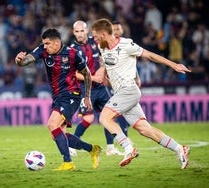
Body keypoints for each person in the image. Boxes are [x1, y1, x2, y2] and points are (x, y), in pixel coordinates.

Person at [91, 18, 191, 169]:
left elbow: (150, 55)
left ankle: (128, 148)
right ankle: (179, 148)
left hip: (129, 90)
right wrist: (105, 77)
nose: (94, 38)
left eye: (96, 35)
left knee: (105, 118)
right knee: (144, 129)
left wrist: (174, 65)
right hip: (121, 92)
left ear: (104, 34)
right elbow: (111, 66)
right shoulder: (102, 47)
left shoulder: (126, 44)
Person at [15, 28, 101, 171]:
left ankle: (68, 162)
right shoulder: (43, 50)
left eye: (48, 44)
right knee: (57, 135)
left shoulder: (73, 54)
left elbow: (86, 75)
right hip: (57, 96)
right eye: (44, 44)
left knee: (52, 124)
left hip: (71, 94)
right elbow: (25, 61)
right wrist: (19, 60)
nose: (45, 46)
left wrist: (87, 97)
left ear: (56, 43)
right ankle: (92, 149)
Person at [69, 20, 130, 156]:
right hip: (85, 88)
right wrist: (93, 78)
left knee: (110, 116)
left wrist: (102, 69)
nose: (80, 34)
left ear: (87, 31)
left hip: (101, 87)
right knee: (88, 119)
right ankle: (72, 146)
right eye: (77, 31)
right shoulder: (72, 49)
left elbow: (105, 57)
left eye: (82, 30)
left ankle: (110, 148)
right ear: (73, 32)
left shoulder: (95, 42)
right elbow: (74, 73)